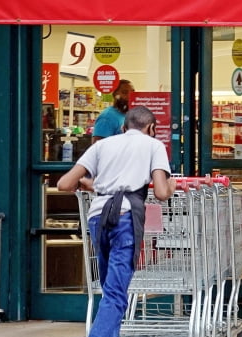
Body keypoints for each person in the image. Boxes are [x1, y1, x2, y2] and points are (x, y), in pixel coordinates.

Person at [57, 105, 176, 337]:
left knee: (109, 289)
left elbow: (64, 184)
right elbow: (161, 192)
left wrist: (93, 184)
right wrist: (170, 186)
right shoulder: (154, 145)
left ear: (123, 127)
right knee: (116, 292)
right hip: (126, 218)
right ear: (151, 128)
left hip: (98, 218)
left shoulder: (102, 145)